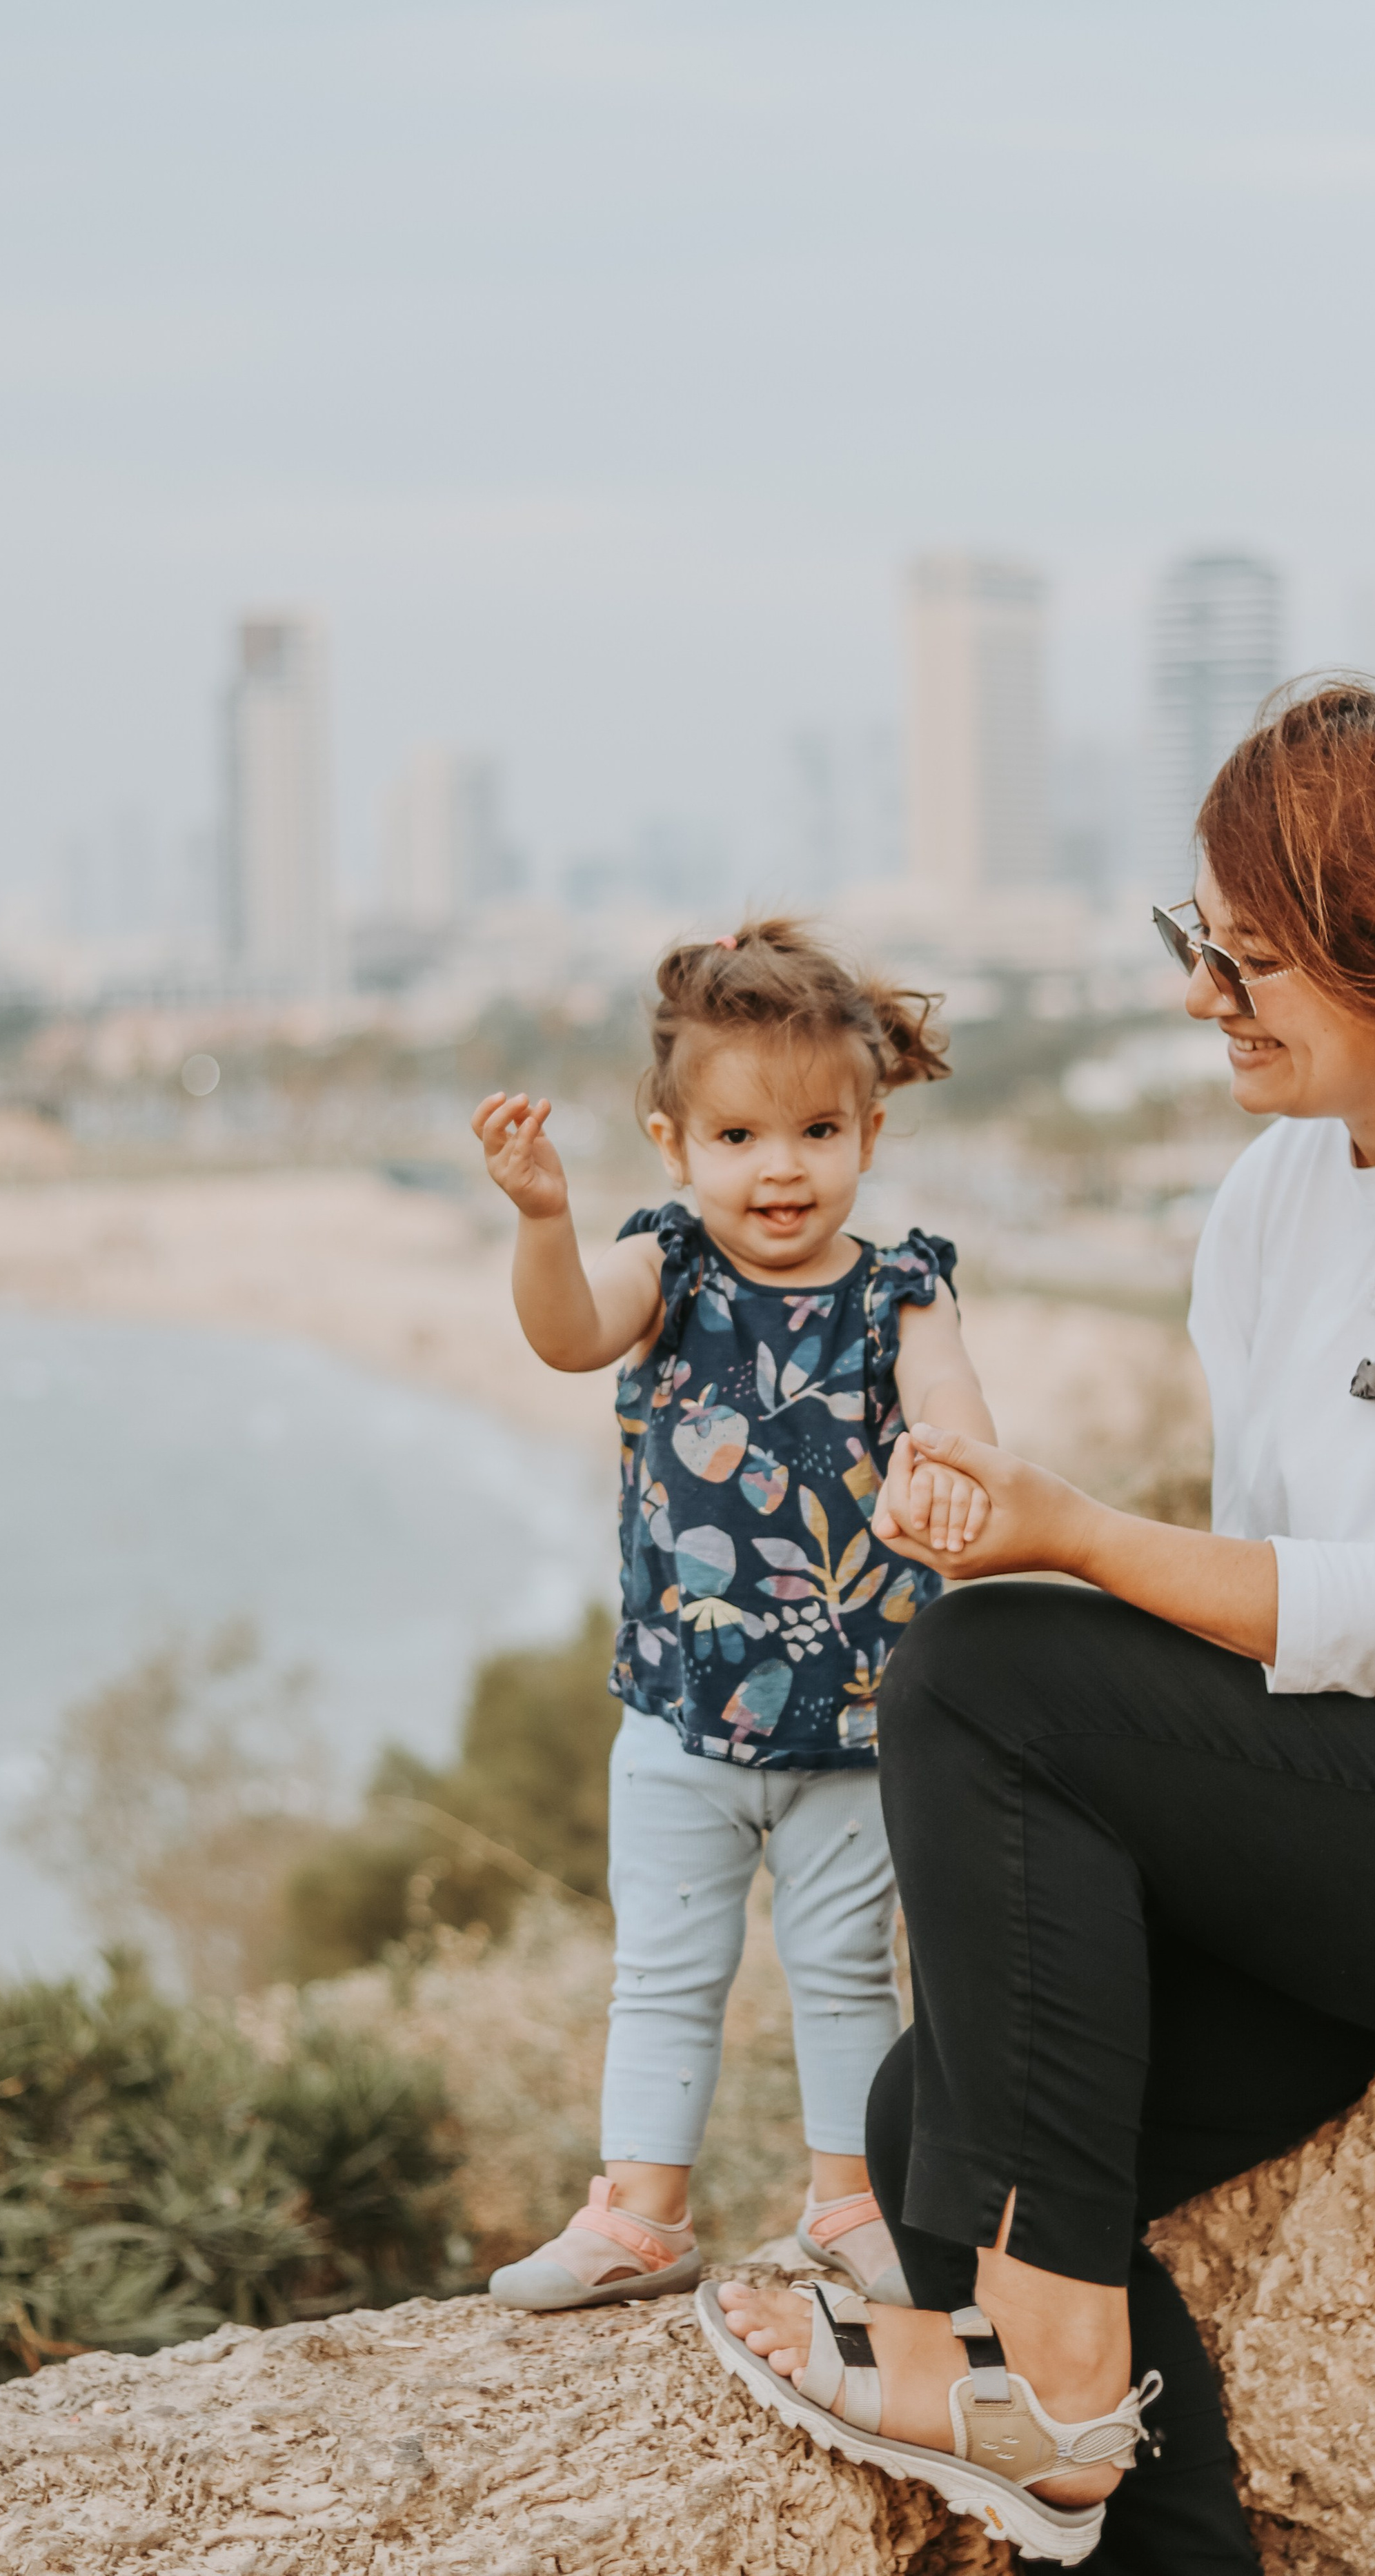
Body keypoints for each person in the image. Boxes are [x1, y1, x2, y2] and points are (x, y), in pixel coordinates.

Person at [706, 686, 1375, 2571]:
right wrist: (1027, 1537)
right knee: (934, 2120)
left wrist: (1071, 1545)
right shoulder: (1270, 1197)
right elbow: (1281, 1586)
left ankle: (1045, 2394)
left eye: (1250, 955)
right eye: (1194, 940)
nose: (1204, 992)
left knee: (984, 1675)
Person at [472, 918, 997, 2315]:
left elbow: (951, 1402)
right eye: (739, 1138)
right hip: (680, 1721)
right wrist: (540, 1218)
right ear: (672, 1144)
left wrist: (944, 1455)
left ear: (869, 1133)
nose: (780, 1169)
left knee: (843, 1977)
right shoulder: (667, 1268)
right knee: (663, 1973)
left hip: (855, 1725)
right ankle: (640, 2216)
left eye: (818, 1132)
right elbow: (568, 1333)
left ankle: (853, 2203)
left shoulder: (899, 1290)